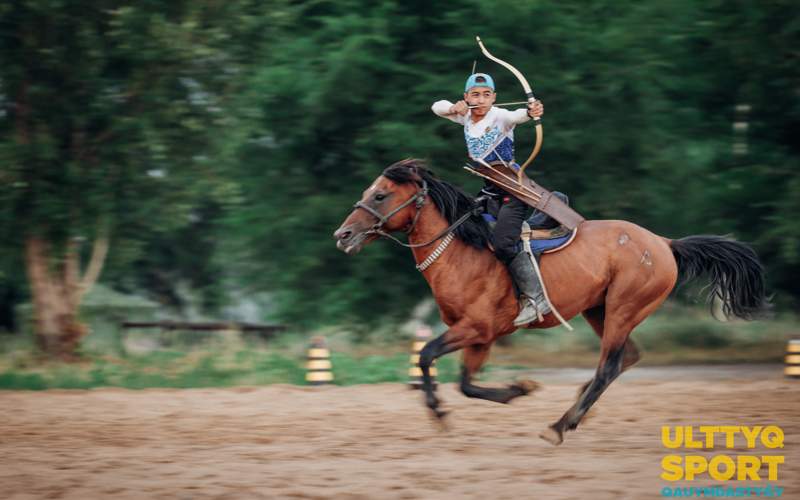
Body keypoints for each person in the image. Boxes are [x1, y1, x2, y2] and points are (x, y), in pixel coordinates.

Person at [431, 72, 550, 326]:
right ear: (466, 97)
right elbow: (436, 107)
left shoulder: (501, 116)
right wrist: (453, 107)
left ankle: (537, 297)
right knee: (468, 231)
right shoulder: (463, 115)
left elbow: (518, 115)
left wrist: (531, 112)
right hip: (490, 190)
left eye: (487, 95)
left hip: (513, 189)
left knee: (504, 243)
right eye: (475, 95)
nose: (481, 99)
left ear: (494, 98)